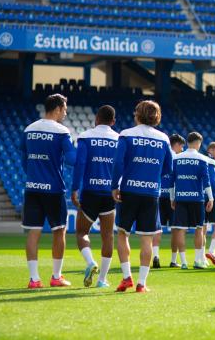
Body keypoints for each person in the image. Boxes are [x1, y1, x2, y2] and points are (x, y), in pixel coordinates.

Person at [112, 100, 173, 293]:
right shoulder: (163, 138)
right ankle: (141, 284)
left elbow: (118, 163)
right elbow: (168, 168)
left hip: (128, 191)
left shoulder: (126, 135)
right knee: (147, 239)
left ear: (137, 114)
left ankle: (126, 277)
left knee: (123, 233)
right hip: (151, 193)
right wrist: (152, 175)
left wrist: (115, 186)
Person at [21, 93, 77, 289]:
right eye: (65, 110)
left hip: (32, 188)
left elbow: (24, 160)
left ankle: (34, 279)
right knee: (59, 231)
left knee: (33, 232)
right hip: (53, 190)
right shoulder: (62, 131)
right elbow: (71, 160)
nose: (65, 113)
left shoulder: (29, 129)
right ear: (58, 109)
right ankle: (56, 276)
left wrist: (35, 177)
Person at [70, 105, 119, 288]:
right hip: (110, 194)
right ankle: (102, 280)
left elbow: (80, 163)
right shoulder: (119, 139)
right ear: (113, 121)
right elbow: (122, 166)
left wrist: (75, 188)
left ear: (96, 119)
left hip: (90, 192)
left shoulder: (85, 137)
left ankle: (91, 262)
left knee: (82, 232)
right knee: (108, 236)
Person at [171, 132, 213, 270]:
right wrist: (211, 198)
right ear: (198, 143)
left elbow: (171, 182)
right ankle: (197, 261)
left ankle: (183, 262)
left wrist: (172, 198)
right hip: (197, 199)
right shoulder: (202, 159)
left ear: (187, 142)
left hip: (181, 198)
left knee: (180, 230)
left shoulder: (176, 158)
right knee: (199, 229)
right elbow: (207, 182)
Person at [152, 134, 185, 268]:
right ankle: (173, 260)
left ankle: (156, 256)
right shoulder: (177, 158)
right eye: (181, 146)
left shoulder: (159, 154)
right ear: (175, 144)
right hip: (172, 198)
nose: (182, 149)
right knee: (175, 229)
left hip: (158, 195)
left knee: (156, 229)